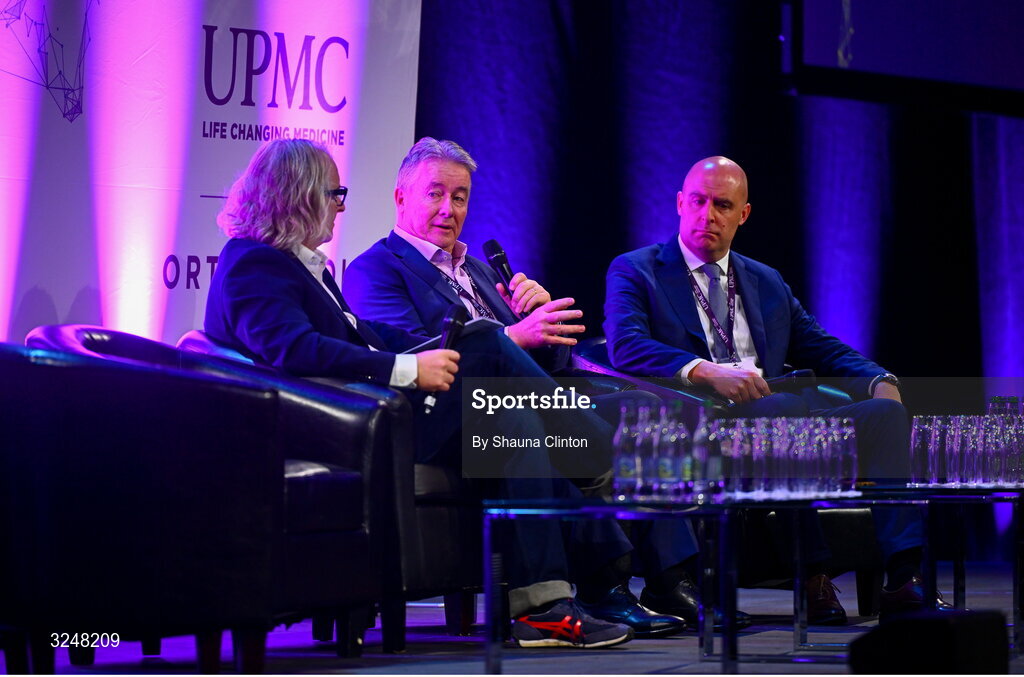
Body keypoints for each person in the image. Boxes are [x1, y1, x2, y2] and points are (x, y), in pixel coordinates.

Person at [205, 138, 650, 649]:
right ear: (300, 194)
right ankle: (601, 454)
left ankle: (544, 610)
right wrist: (409, 367)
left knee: (512, 423)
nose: (341, 206)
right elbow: (293, 349)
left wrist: (432, 349)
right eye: (334, 193)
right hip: (341, 428)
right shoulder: (254, 262)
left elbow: (365, 336)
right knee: (488, 342)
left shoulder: (305, 266)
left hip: (369, 416)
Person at [344, 137, 727, 633]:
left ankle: (669, 579)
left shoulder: (478, 271)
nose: (448, 209)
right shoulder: (376, 268)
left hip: (528, 399)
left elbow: (541, 365)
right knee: (535, 427)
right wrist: (513, 335)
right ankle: (602, 584)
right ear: (401, 197)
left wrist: (541, 327)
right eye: (434, 194)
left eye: (459, 197)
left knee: (639, 408)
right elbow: (417, 358)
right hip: (454, 414)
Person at [604, 155, 948, 620]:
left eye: (723, 205)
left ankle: (905, 577)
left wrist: (879, 379)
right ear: (681, 204)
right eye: (699, 202)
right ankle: (813, 576)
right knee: (783, 408)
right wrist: (706, 370)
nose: (708, 215)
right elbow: (625, 345)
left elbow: (821, 346)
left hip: (779, 416)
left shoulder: (765, 280)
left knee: (883, 414)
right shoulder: (636, 269)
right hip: (703, 425)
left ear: (743, 214)